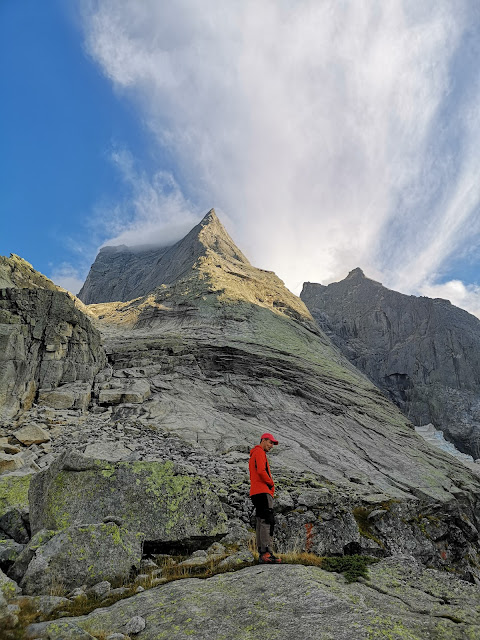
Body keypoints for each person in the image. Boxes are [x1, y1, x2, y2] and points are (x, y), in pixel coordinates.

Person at [249, 432, 282, 564]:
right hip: (263, 491)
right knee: (267, 520)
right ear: (263, 440)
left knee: (260, 520)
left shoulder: (254, 454)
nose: (272, 446)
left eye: (273, 443)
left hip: (255, 492)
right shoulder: (259, 452)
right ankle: (266, 552)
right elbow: (262, 471)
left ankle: (262, 552)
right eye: (270, 442)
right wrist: (271, 483)